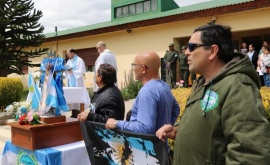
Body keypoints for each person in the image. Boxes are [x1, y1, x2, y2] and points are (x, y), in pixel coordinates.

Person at [156, 24, 270, 165]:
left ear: (212, 51)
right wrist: (178, 131)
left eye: (192, 46)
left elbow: (249, 155)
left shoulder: (238, 86)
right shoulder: (202, 82)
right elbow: (212, 128)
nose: (186, 52)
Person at [106, 51, 180, 134]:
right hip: (160, 145)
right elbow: (176, 109)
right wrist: (164, 128)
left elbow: (145, 128)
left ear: (143, 69)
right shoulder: (164, 86)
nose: (133, 69)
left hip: (146, 146)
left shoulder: (147, 91)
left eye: (134, 65)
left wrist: (117, 123)